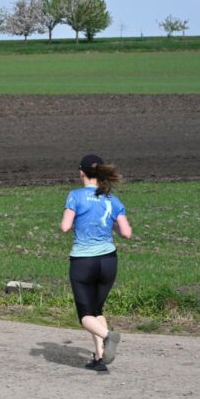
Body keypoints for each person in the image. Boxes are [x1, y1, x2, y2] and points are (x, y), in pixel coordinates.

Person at [60, 153, 133, 372]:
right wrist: (109, 225)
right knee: (96, 309)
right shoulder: (112, 199)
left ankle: (110, 336)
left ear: (81, 172)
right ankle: (101, 358)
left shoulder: (75, 196)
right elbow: (126, 233)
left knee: (85, 316)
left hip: (84, 261)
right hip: (109, 261)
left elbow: (65, 227)